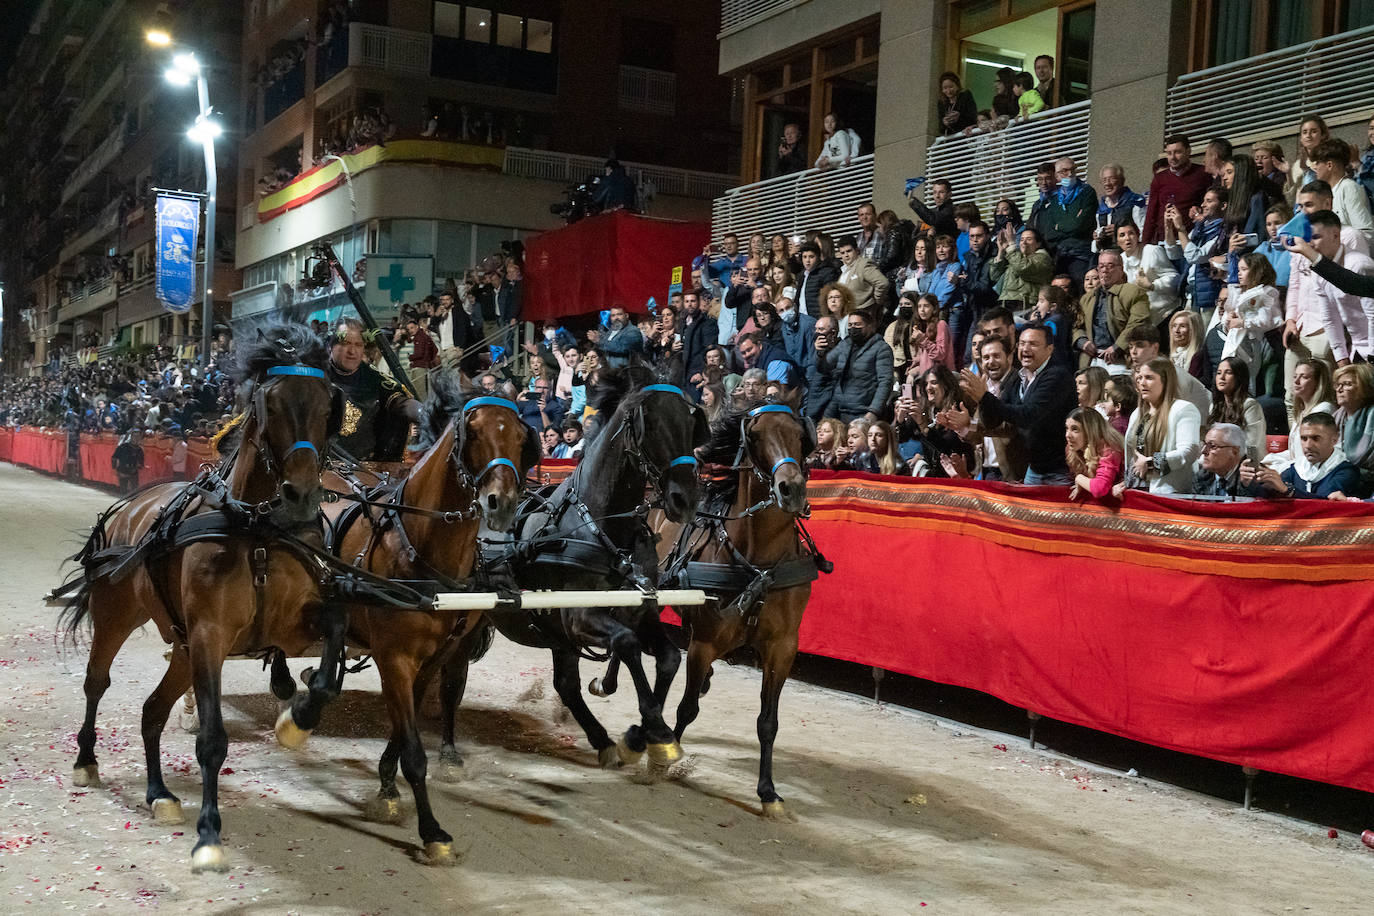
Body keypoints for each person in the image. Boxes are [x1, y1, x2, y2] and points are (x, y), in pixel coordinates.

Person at [958, 323, 1076, 485]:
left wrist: (984, 397)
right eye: (1022, 343)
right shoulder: (1021, 378)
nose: (1025, 348)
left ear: (1049, 349)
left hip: (1058, 470)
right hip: (1033, 469)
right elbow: (993, 421)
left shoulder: (1057, 376)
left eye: (1033, 344)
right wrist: (981, 399)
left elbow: (1028, 415)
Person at [328, 319, 422, 462]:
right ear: (331, 345)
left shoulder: (374, 379)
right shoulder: (313, 376)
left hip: (366, 468)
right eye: (346, 343)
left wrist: (425, 413)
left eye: (358, 345)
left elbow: (400, 403)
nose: (352, 351)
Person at [1122, 357, 1202, 495]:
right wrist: (1125, 483)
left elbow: (1189, 452)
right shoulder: (1137, 414)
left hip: (1171, 493)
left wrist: (1151, 463)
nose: (1142, 383)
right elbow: (1133, 456)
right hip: (1137, 490)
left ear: (1165, 381)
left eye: (1149, 377)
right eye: (1139, 378)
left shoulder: (1183, 409)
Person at [1242, 412, 1358, 499]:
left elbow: (1324, 503)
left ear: (1334, 439)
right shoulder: (1296, 468)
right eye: (1304, 438)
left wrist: (1288, 490)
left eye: (1315, 438)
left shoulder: (1346, 471)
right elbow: (1271, 497)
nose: (1308, 445)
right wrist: (1250, 483)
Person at [1073, 248, 1151, 367]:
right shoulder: (1087, 298)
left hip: (1120, 360)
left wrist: (1117, 347)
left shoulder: (1134, 292)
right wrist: (1082, 341)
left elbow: (1138, 323)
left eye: (1110, 266)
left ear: (1121, 269)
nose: (1105, 270)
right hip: (1091, 360)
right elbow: (1076, 325)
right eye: (1101, 266)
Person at [1211, 251, 1282, 372]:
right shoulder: (1244, 292)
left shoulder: (1267, 292)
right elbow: (1231, 316)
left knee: (1248, 380)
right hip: (1236, 342)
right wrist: (1230, 319)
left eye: (1244, 269)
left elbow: (1266, 321)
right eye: (1238, 270)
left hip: (1254, 343)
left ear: (1258, 271)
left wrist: (1243, 323)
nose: (1239, 274)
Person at [818, 310, 893, 423]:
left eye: (857, 325)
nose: (853, 328)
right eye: (850, 325)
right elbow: (825, 367)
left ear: (869, 326)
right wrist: (820, 352)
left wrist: (874, 411)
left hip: (863, 410)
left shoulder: (881, 348)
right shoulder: (845, 344)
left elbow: (885, 382)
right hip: (839, 407)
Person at [1143, 135, 1213, 243]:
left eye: (1177, 152)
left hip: (1191, 239)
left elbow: (1211, 204)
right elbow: (1151, 214)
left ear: (1188, 151)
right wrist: (1145, 243)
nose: (1172, 157)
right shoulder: (1159, 178)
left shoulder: (1202, 174)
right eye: (1169, 153)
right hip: (1164, 240)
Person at [1039, 158, 1098, 285]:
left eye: (1073, 170)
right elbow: (1049, 233)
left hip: (1081, 253)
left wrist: (1059, 226)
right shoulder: (1054, 200)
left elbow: (1081, 225)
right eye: (1064, 171)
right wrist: (1071, 225)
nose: (1070, 174)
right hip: (1060, 255)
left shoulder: (1086, 192)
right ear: (1056, 176)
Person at [1208, 357, 1267, 463]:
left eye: (1228, 372)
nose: (1222, 377)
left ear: (1239, 377)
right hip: (1219, 464)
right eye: (1219, 373)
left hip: (1245, 465)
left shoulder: (1249, 405)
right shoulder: (1214, 406)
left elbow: (1252, 446)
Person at [1332, 362, 1374, 498]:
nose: (1339, 389)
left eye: (1347, 384)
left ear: (1364, 388)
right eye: (1337, 384)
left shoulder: (1371, 415)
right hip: (1341, 477)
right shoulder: (1336, 416)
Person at [1065, 407, 1123, 500]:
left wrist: (1079, 478)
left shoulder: (1109, 448)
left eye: (1075, 429)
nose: (1068, 435)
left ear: (1090, 431)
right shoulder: (1071, 449)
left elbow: (1099, 489)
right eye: (1067, 428)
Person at [990, 226, 1053, 311]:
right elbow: (994, 276)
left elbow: (1022, 268)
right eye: (1022, 239)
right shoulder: (1016, 256)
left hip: (1026, 304)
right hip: (1007, 303)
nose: (1024, 242)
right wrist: (1001, 251)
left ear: (1038, 244)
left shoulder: (1043, 258)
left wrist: (1012, 244)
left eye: (1029, 239)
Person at [1094, 164, 1146, 252]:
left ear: (1122, 181)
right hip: (1107, 256)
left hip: (1130, 254)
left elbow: (1144, 231)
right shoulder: (1101, 207)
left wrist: (1120, 231)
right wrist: (1098, 237)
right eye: (1104, 180)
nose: (1107, 183)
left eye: (1112, 179)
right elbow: (1097, 234)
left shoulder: (1135, 202)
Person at [835, 235, 889, 316]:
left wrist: (876, 302)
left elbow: (883, 283)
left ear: (857, 250)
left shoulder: (864, 264)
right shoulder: (844, 270)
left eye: (849, 251)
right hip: (847, 315)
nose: (846, 255)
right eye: (842, 253)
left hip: (864, 314)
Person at [1192, 423, 1249, 498]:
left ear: (1234, 451)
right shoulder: (1201, 477)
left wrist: (1245, 486)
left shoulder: (1250, 480)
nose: (1203, 451)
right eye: (1204, 444)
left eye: (1212, 446)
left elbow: (1245, 507)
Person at [796, 243, 840, 318]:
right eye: (804, 257)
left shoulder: (827, 272)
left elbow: (830, 297)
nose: (807, 260)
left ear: (818, 257)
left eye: (811, 257)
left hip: (819, 318)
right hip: (803, 319)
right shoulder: (801, 275)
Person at [1168, 308, 1207, 383]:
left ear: (1194, 330)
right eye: (1174, 325)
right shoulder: (1172, 356)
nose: (1176, 330)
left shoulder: (1198, 357)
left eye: (1182, 326)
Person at [936, 72, 977, 136]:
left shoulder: (965, 96)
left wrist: (959, 117)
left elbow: (973, 118)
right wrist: (944, 122)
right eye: (945, 88)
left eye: (951, 87)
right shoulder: (942, 103)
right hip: (950, 139)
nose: (948, 91)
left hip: (965, 135)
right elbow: (940, 128)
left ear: (957, 86)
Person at [111, 428, 145, 494]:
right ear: (131, 437)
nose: (136, 438)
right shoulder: (123, 447)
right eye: (135, 436)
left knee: (135, 490)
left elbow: (141, 463)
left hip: (133, 471)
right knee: (123, 491)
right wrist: (115, 469)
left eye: (138, 436)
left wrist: (139, 466)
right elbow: (114, 457)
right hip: (123, 470)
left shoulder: (140, 450)